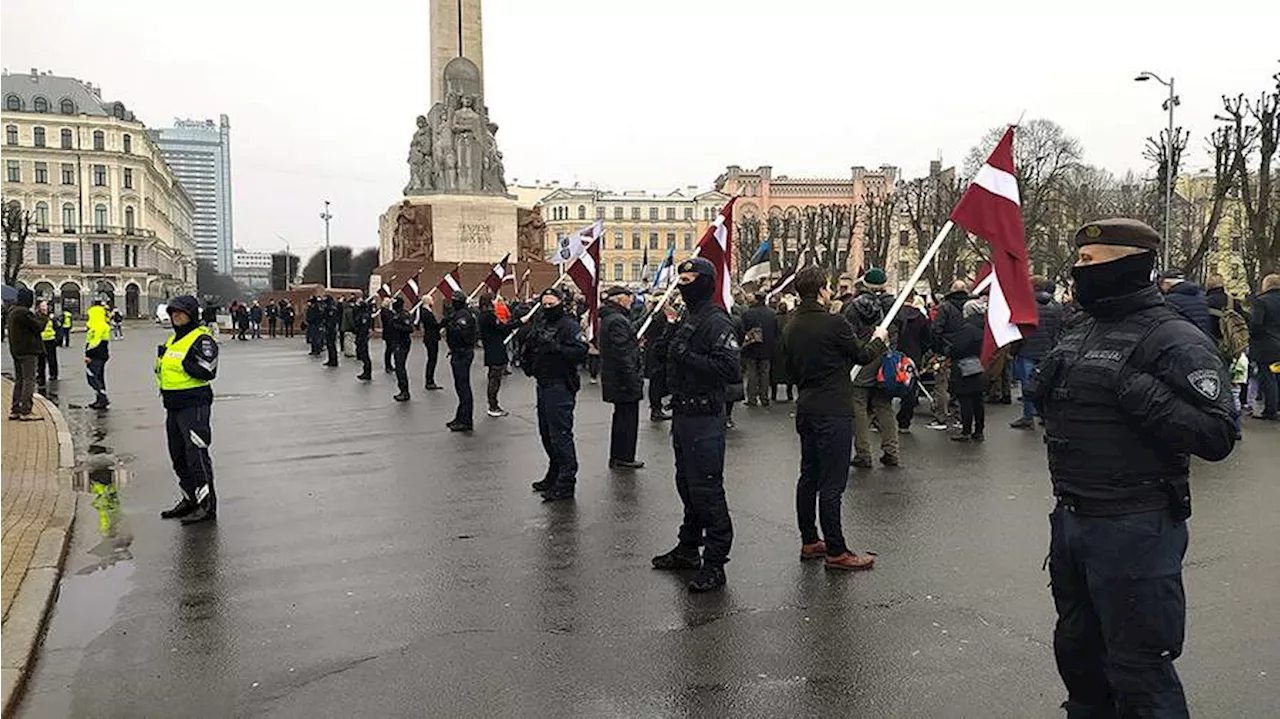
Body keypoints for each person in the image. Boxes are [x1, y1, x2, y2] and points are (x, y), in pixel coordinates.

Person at [1029, 219, 1236, 716]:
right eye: (1079, 262)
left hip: (1135, 525)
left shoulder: (1172, 337)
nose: (1079, 271)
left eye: (1091, 263)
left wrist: (1138, 390)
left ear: (1131, 265)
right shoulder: (1082, 328)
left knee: (1139, 669)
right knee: (1078, 653)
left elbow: (1217, 434)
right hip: (1073, 519)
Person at [783, 267, 888, 571]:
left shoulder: (791, 325)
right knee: (832, 483)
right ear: (820, 290)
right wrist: (879, 339)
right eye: (827, 287)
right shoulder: (834, 322)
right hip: (833, 409)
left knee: (809, 477)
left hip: (807, 406)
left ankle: (810, 539)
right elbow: (862, 355)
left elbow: (789, 370)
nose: (830, 292)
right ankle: (837, 550)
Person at [651, 258, 740, 593]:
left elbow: (729, 369)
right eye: (681, 278)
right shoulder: (689, 317)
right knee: (687, 486)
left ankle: (715, 563)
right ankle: (688, 547)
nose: (683, 283)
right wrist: (665, 345)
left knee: (706, 489)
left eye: (689, 278)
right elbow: (667, 356)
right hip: (684, 414)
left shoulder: (717, 321)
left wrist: (685, 355)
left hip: (705, 417)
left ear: (705, 281)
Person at [152, 296, 220, 525]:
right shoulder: (173, 338)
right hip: (173, 405)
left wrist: (184, 363)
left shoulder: (201, 339)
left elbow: (208, 369)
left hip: (194, 405)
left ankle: (206, 505)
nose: (176, 317)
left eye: (181, 313)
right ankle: (189, 498)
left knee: (196, 456)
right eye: (173, 313)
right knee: (178, 456)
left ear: (191, 314)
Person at [523, 288, 589, 501]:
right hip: (543, 383)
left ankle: (566, 481)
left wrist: (556, 348)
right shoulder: (542, 323)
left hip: (560, 385)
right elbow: (532, 346)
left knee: (560, 435)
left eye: (552, 304)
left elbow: (580, 353)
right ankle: (555, 472)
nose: (547, 308)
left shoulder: (569, 326)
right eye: (545, 304)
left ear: (560, 303)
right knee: (546, 433)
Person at [843, 268, 900, 467]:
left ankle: (863, 452)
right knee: (884, 405)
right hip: (886, 358)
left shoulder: (852, 307)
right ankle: (891, 450)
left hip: (862, 358)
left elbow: (848, 334)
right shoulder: (893, 306)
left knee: (858, 403)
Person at [599, 286, 644, 470]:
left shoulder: (613, 318)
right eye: (628, 297)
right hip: (622, 379)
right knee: (627, 420)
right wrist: (632, 379)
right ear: (619, 299)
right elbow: (622, 353)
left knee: (621, 417)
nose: (631, 300)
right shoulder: (617, 320)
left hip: (617, 378)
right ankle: (624, 456)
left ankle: (618, 455)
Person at [1010, 277, 1064, 430]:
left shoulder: (1026, 307)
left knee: (1028, 386)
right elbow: (1059, 329)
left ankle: (1028, 418)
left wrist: (1014, 350)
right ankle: (1044, 416)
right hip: (1048, 351)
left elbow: (1020, 332)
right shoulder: (1056, 307)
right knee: (1045, 384)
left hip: (1027, 350)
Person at [928, 280, 969, 431]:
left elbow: (936, 330)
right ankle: (960, 417)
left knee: (941, 385)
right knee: (961, 384)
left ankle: (941, 418)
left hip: (946, 351)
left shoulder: (945, 307)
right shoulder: (970, 306)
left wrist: (937, 348)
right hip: (965, 350)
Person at [948, 299, 989, 442]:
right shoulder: (985, 327)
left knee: (965, 400)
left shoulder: (967, 329)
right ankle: (979, 430)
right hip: (981, 365)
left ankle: (966, 430)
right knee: (978, 401)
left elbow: (957, 348)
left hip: (965, 367)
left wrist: (949, 349)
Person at [7, 289, 47, 421]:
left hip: (17, 350)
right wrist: (43, 315)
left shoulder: (13, 312)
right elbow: (38, 326)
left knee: (19, 380)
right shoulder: (23, 313)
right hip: (28, 351)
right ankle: (26, 410)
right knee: (29, 380)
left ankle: (15, 409)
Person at [894, 293, 931, 432]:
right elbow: (928, 339)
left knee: (886, 384)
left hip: (895, 354)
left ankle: (878, 420)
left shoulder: (894, 315)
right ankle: (904, 421)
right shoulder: (920, 317)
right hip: (913, 356)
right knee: (910, 389)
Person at [445, 294, 478, 431]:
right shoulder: (458, 314)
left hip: (462, 353)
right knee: (460, 387)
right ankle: (460, 416)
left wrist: (451, 327)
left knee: (463, 387)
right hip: (458, 352)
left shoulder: (463, 315)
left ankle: (466, 420)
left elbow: (462, 334)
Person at [1249, 273, 1280, 420]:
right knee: (1278, 376)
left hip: (1267, 346)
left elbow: (1256, 324)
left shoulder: (1261, 302)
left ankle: (1270, 410)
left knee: (1268, 378)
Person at [740, 291, 778, 407]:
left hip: (751, 347)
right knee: (764, 374)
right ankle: (764, 397)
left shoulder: (747, 313)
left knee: (752, 374)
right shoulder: (772, 314)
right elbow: (776, 332)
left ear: (756, 300)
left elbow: (743, 330)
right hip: (767, 348)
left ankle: (752, 398)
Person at [477, 294, 513, 417]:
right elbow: (502, 328)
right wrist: (518, 323)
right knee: (495, 379)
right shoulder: (489, 316)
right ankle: (493, 406)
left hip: (491, 349)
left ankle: (493, 404)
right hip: (495, 350)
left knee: (494, 378)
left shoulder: (482, 315)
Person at [643, 304, 676, 421]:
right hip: (659, 352)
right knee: (657, 381)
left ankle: (656, 408)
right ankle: (656, 409)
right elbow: (666, 334)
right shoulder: (659, 317)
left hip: (653, 350)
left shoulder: (651, 316)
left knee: (656, 381)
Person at [1158, 269, 1212, 337]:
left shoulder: (1169, 300)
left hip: (1185, 338)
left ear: (1167, 283)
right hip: (1204, 338)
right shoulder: (1202, 296)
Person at [84, 301, 112, 410]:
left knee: (91, 376)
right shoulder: (102, 324)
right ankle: (100, 399)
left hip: (96, 355)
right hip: (102, 354)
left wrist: (88, 355)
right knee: (99, 377)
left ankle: (103, 397)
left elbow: (94, 343)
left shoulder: (97, 326)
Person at [388, 297, 415, 402]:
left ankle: (405, 391)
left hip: (402, 344)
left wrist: (396, 326)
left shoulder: (404, 315)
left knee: (400, 368)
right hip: (396, 343)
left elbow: (409, 329)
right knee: (399, 368)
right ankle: (402, 390)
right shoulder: (395, 314)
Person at [770, 297, 795, 403]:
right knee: (788, 373)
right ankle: (789, 394)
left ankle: (774, 394)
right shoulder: (790, 320)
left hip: (776, 349)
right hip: (788, 348)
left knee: (775, 373)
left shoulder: (774, 319)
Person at [419, 301, 443, 390]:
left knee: (431, 359)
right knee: (432, 359)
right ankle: (429, 381)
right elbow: (433, 325)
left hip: (429, 337)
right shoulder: (427, 313)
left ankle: (430, 380)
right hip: (431, 338)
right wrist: (442, 324)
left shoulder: (425, 312)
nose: (433, 302)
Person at [36, 304, 60, 387]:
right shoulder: (37, 316)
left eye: (45, 306)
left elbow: (57, 328)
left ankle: (53, 374)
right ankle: (40, 376)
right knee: (40, 360)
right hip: (41, 341)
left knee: (52, 359)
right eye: (42, 306)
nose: (44, 308)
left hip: (50, 340)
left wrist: (57, 339)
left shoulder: (52, 317)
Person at [353, 298, 374, 381]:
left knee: (365, 355)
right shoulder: (362, 314)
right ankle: (365, 371)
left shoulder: (364, 315)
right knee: (363, 355)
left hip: (363, 337)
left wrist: (360, 338)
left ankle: (367, 373)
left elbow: (363, 328)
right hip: (361, 336)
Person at [321, 297, 340, 367]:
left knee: (332, 345)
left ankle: (334, 361)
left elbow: (332, 321)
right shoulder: (327, 308)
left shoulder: (332, 309)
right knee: (329, 345)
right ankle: (330, 359)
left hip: (331, 330)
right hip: (328, 328)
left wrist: (328, 326)